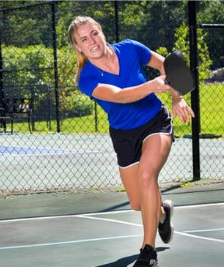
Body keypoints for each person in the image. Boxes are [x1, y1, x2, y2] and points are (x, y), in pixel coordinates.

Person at [68, 16, 194, 267]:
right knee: (138, 203)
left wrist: (177, 97)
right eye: (83, 39)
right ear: (78, 47)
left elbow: (166, 65)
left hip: (155, 121)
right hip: (124, 135)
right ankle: (162, 214)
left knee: (148, 176)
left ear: (101, 32)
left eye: (94, 33)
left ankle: (148, 251)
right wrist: (151, 86)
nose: (91, 41)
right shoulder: (86, 78)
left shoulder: (129, 48)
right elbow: (120, 96)